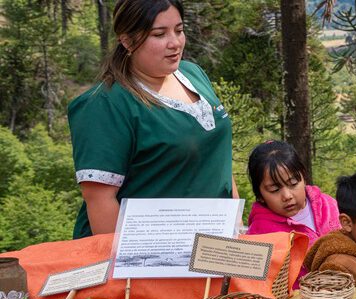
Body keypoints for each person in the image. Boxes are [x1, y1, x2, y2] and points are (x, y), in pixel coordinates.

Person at [69, 0, 235, 238]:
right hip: (147, 248)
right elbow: (99, 199)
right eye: (159, 34)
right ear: (127, 41)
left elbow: (218, 160)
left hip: (209, 241)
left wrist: (234, 224)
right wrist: (125, 259)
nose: (175, 43)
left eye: (179, 30)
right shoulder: (105, 104)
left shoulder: (192, 74)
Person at [246, 140, 340, 242]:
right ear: (260, 195)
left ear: (304, 177)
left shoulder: (328, 205)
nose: (287, 196)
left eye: (293, 183)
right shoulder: (260, 233)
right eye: (274, 189)